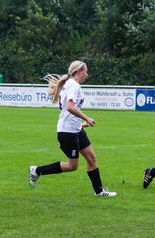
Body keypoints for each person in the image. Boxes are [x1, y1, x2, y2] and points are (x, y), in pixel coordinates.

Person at [29, 60, 116, 197]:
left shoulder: (70, 84)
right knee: (72, 166)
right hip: (67, 133)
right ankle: (37, 171)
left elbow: (67, 110)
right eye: (85, 71)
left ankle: (99, 191)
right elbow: (69, 107)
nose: (87, 74)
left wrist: (81, 124)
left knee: (91, 158)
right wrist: (86, 118)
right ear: (78, 71)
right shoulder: (74, 86)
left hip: (75, 130)